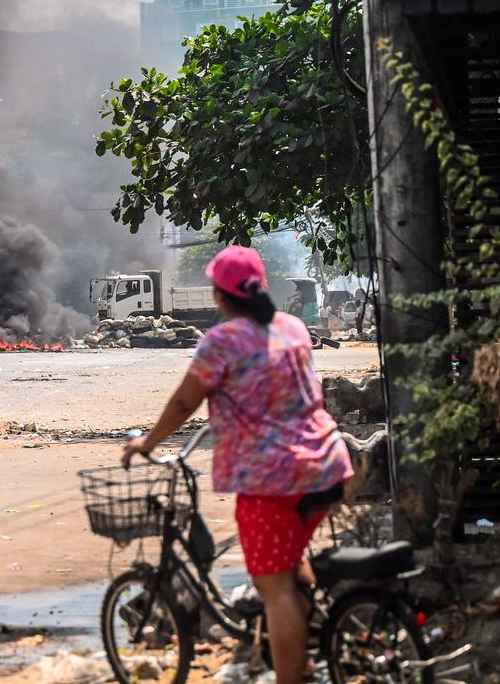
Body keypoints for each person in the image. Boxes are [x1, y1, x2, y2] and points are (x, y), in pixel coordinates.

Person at [121, 245, 354, 684]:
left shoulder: (222, 341)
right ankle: (304, 652)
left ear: (220, 296)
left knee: (275, 589)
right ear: (261, 286)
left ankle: (291, 675)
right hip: (326, 464)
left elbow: (184, 401)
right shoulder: (294, 328)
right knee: (291, 560)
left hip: (274, 480)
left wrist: (147, 443)